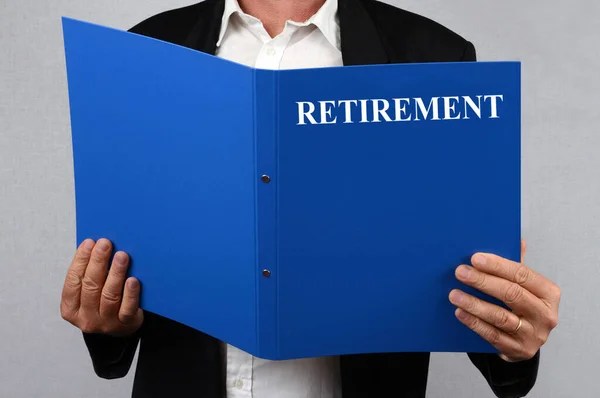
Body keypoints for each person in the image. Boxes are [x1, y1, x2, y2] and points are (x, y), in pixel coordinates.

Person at [60, 0, 561, 397]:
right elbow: (130, 264)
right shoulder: (148, 48)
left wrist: (513, 339)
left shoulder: (435, 56)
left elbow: (460, 275)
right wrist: (107, 318)